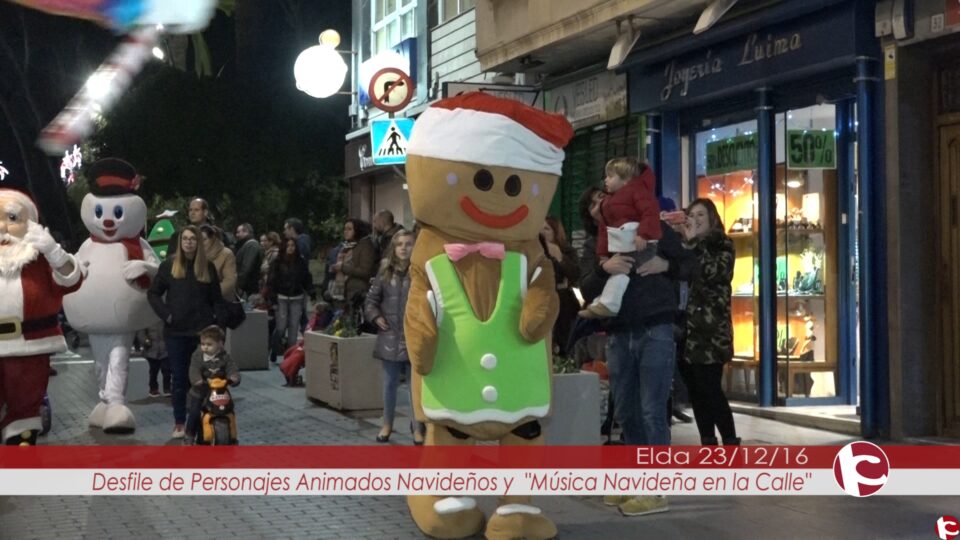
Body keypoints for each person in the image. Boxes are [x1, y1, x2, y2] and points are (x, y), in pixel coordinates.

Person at [579, 170, 698, 517]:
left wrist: (666, 264)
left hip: (656, 329)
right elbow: (585, 287)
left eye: (609, 197)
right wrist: (605, 269)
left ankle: (657, 489)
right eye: (597, 204)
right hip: (618, 334)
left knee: (652, 409)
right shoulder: (595, 246)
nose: (606, 205)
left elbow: (691, 265)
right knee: (627, 411)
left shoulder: (654, 230)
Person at [0, 188, 82, 445]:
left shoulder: (40, 258)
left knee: (25, 409)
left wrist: (53, 250)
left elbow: (72, 280)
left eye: (12, 217)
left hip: (30, 346)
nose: (2, 226)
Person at [147, 225, 223, 439]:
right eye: (185, 239)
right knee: (179, 380)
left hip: (203, 334)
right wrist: (167, 315)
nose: (189, 242)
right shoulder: (169, 266)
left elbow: (216, 300)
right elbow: (153, 294)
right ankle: (179, 422)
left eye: (193, 239)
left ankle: (199, 419)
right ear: (180, 242)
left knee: (202, 380)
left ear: (198, 242)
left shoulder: (207, 268)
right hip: (176, 333)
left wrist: (218, 328)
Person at [678, 198, 739, 446]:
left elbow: (712, 272)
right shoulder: (685, 246)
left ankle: (731, 441)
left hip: (711, 330)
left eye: (701, 215)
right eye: (691, 215)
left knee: (711, 388)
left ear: (712, 217)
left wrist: (693, 243)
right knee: (696, 391)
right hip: (687, 330)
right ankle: (708, 442)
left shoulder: (722, 244)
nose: (696, 220)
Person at [579, 157, 662, 319]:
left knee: (621, 271)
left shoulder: (639, 198)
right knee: (620, 270)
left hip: (652, 315)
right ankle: (605, 302)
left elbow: (686, 263)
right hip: (621, 325)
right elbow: (586, 287)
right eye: (593, 204)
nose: (601, 202)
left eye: (601, 196)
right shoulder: (594, 241)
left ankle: (608, 303)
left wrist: (666, 264)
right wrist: (603, 264)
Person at [363, 230, 425, 445]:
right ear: (394, 247)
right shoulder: (384, 272)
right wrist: (376, 316)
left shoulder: (420, 272)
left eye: (408, 244)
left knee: (414, 387)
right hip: (390, 335)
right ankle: (387, 424)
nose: (404, 248)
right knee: (389, 385)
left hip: (414, 337)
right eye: (399, 244)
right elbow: (370, 300)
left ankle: (417, 427)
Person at [183, 325, 239, 445]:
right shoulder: (198, 356)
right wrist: (197, 380)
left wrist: (234, 377)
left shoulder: (225, 357)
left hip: (219, 391)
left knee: (229, 409)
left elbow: (231, 368)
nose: (205, 347)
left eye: (209, 344)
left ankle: (232, 434)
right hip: (200, 391)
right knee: (194, 412)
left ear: (220, 344)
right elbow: (194, 369)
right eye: (203, 344)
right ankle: (189, 434)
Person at [266, 237, 312, 361]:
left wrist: (310, 290)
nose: (291, 248)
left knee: (293, 327)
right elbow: (271, 282)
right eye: (288, 245)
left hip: (297, 297)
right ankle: (275, 348)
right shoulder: (277, 262)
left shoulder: (300, 262)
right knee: (281, 327)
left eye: (293, 245)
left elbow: (306, 278)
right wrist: (272, 299)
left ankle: (290, 356)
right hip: (281, 297)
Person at [539, 216, 579, 356]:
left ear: (555, 232)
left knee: (563, 340)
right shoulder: (535, 252)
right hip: (541, 298)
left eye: (546, 229)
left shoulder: (566, 251)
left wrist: (559, 257)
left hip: (563, 301)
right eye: (540, 228)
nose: (542, 232)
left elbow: (575, 274)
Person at [329, 218, 377, 313]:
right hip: (343, 291)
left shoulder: (365, 246)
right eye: (345, 229)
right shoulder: (346, 246)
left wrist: (342, 267)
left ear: (358, 230)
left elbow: (365, 271)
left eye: (349, 229)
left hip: (357, 292)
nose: (345, 232)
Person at [200, 224, 237, 301]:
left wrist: (210, 294)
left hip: (221, 300)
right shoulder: (197, 254)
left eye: (204, 239)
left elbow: (229, 281)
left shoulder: (226, 254)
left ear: (213, 238)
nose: (201, 243)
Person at [139, 321, 170, 398]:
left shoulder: (164, 317)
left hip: (165, 348)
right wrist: (145, 341)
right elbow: (141, 332)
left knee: (167, 370)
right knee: (153, 371)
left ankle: (167, 388)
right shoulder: (148, 318)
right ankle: (153, 389)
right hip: (151, 349)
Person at [233, 223, 262, 302]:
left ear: (246, 232)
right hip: (247, 287)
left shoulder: (251, 245)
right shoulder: (247, 245)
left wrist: (239, 284)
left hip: (248, 288)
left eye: (239, 232)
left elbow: (246, 267)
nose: (237, 234)